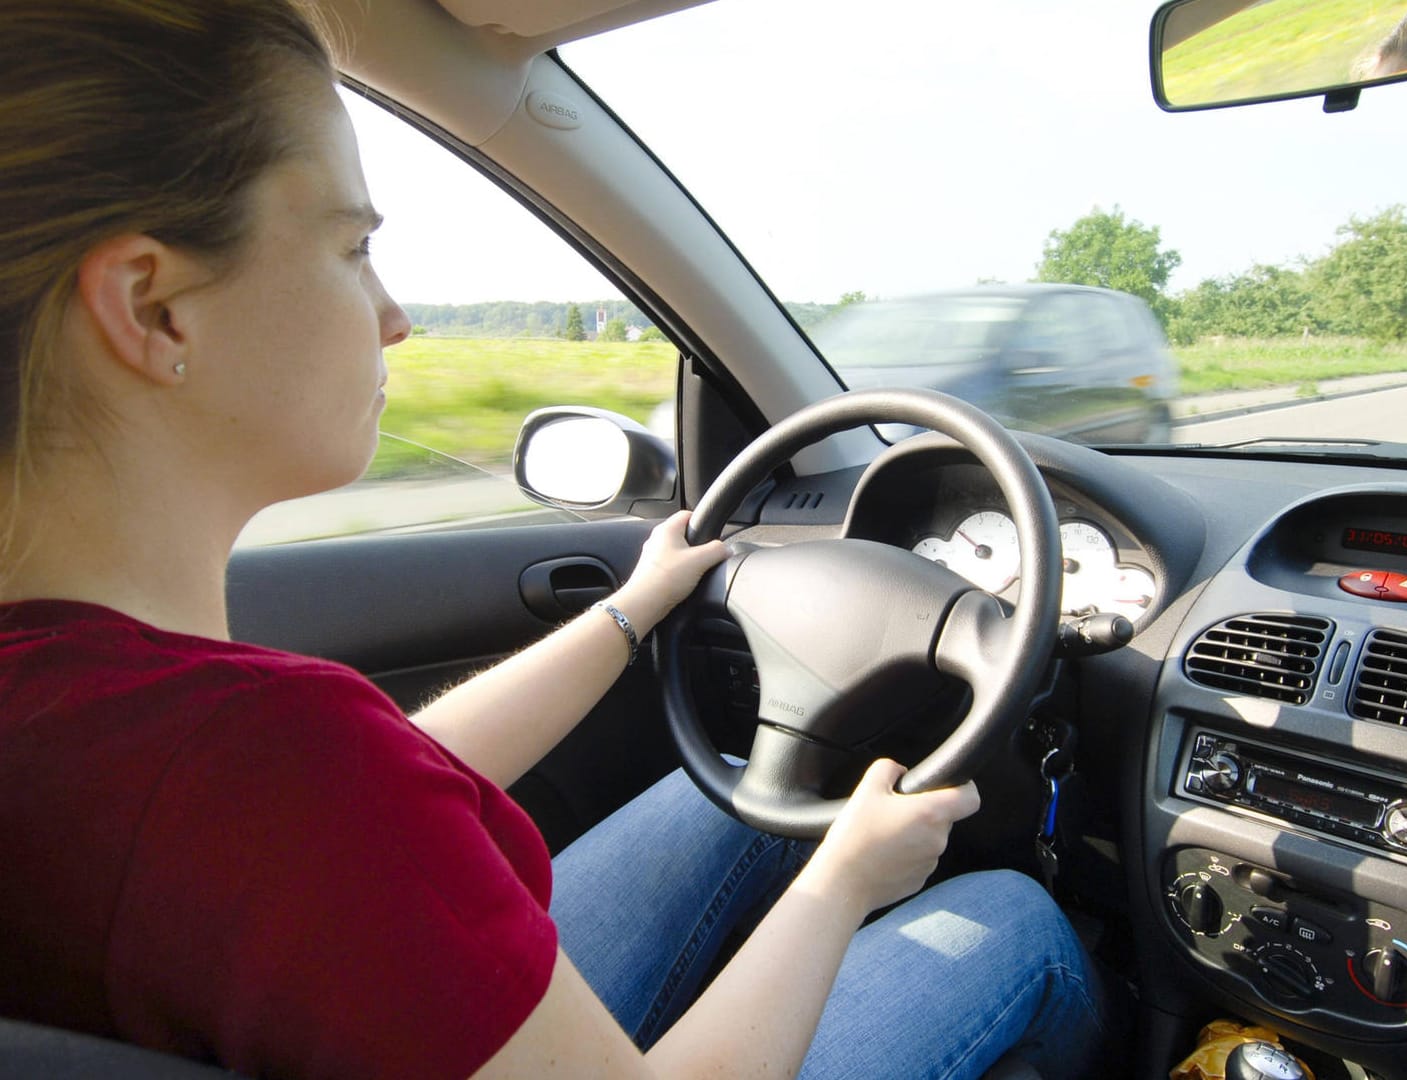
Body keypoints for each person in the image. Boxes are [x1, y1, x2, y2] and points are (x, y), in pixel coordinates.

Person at [0, 2, 1110, 1077]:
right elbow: (321, 801)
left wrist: (629, 613)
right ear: (155, 310)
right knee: (1008, 921)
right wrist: (847, 882)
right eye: (352, 247)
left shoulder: (107, 720)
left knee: (723, 794)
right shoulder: (261, 760)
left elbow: (372, 795)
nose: (395, 317)